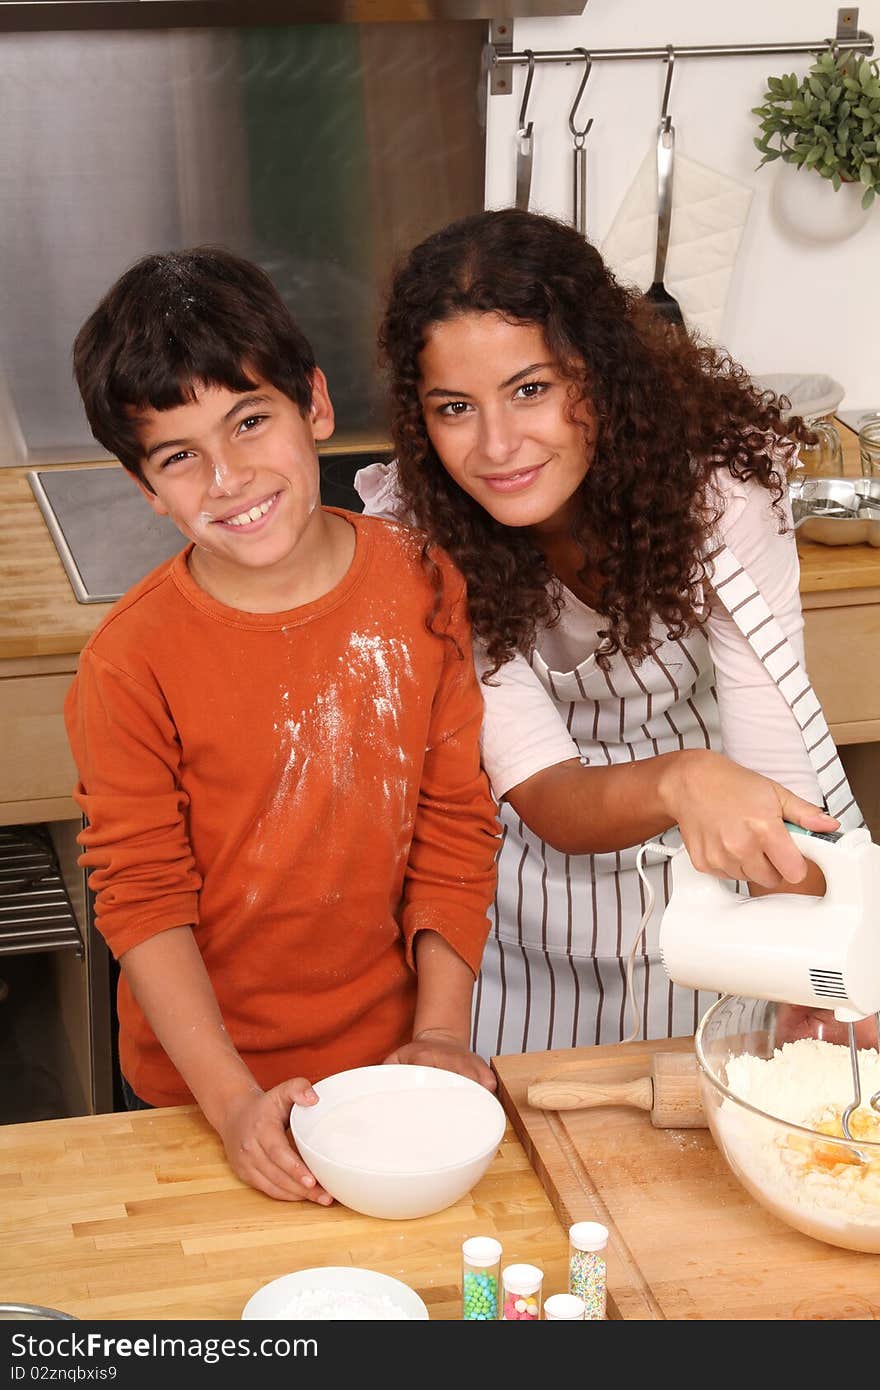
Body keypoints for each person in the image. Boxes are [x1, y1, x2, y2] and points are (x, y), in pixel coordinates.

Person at [356, 207, 861, 1059]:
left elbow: (776, 758)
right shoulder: (422, 537)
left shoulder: (722, 492)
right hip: (522, 914)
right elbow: (548, 790)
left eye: (531, 389)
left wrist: (821, 961)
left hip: (715, 885)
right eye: (454, 408)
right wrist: (681, 779)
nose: (497, 444)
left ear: (600, 372)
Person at [65, 247, 500, 1203]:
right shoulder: (129, 664)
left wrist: (438, 1034)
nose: (228, 479)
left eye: (250, 421)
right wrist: (233, 1109)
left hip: (389, 1065)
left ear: (314, 405)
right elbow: (142, 898)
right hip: (201, 1093)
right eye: (181, 457)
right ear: (147, 487)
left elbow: (455, 822)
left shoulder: (425, 581)